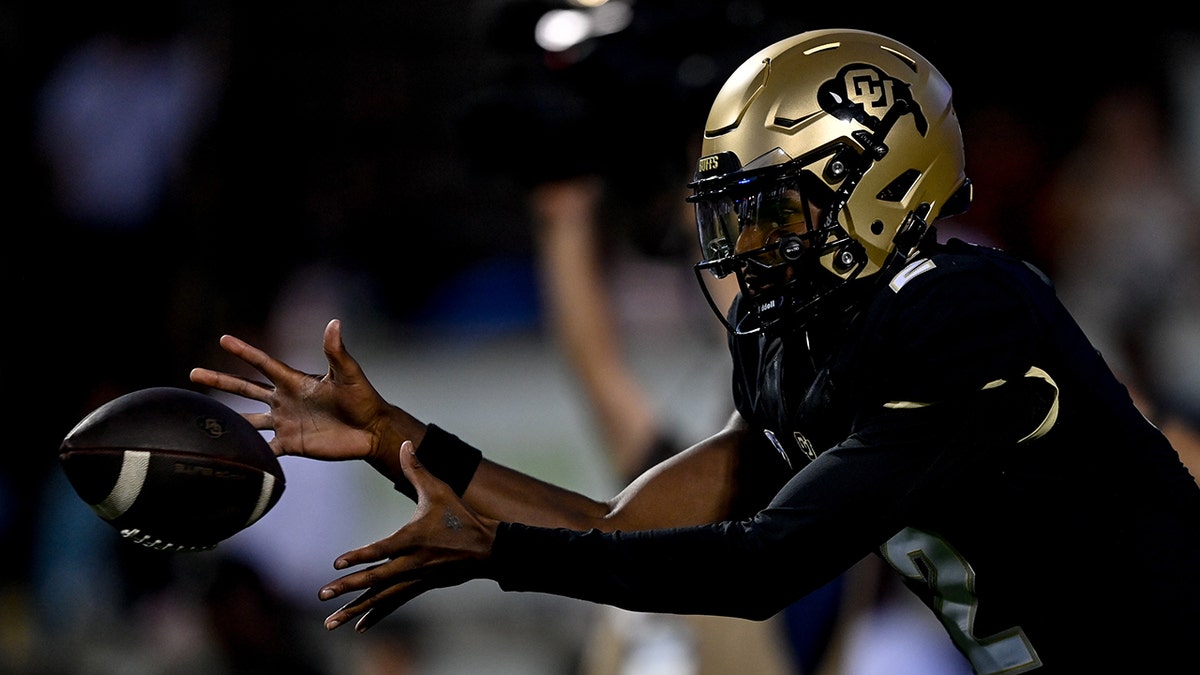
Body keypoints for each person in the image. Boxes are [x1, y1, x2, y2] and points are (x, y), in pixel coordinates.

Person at [191, 29, 1200, 674]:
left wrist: (497, 556)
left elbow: (763, 566)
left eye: (772, 212)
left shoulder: (966, 311)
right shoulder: (808, 351)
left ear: (875, 187)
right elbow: (617, 528)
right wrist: (395, 441)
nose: (745, 243)